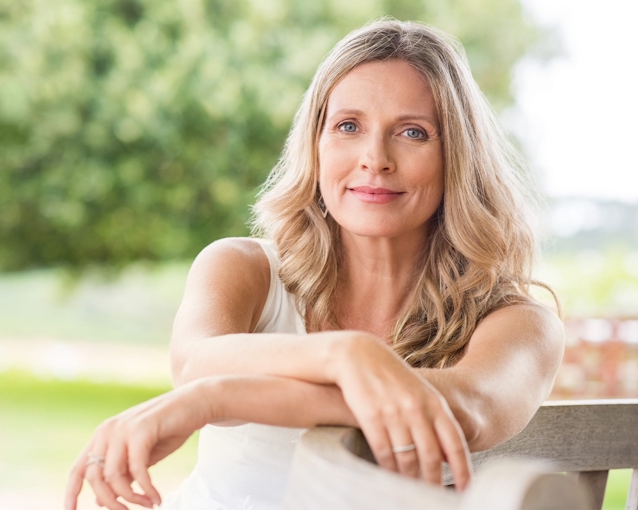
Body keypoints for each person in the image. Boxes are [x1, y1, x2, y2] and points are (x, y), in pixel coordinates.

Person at [64, 19, 564, 510]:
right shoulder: (242, 268)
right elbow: (196, 363)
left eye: (412, 132)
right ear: (316, 144)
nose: (375, 158)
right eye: (348, 126)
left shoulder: (520, 322)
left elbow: (468, 408)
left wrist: (215, 400)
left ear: (458, 156)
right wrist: (343, 356)